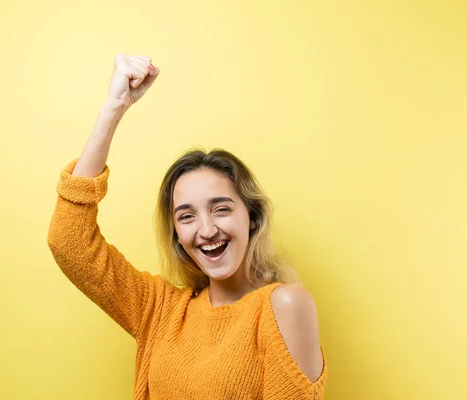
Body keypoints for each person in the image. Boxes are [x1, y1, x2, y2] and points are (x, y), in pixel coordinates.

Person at [47, 53, 327, 399]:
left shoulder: (283, 305)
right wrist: (114, 107)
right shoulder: (160, 309)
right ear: (177, 235)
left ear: (251, 217)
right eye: (186, 216)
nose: (206, 230)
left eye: (220, 209)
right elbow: (68, 240)